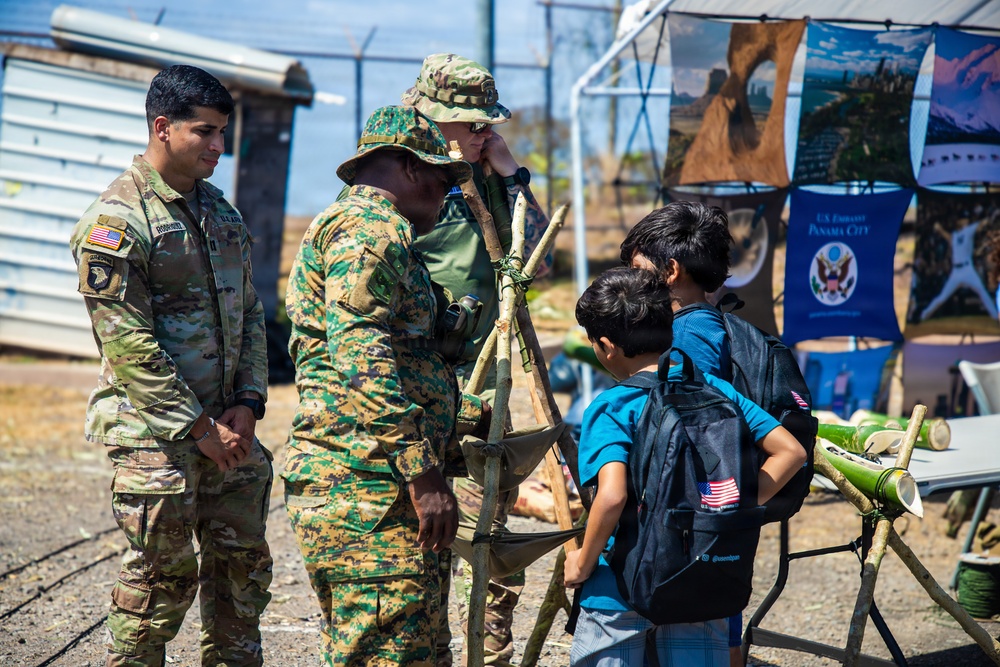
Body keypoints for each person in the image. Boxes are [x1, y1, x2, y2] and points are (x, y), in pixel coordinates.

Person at [68, 64, 273, 666]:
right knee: (160, 584)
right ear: (162, 127)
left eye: (223, 132)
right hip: (154, 438)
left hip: (230, 434)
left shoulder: (222, 214)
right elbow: (127, 345)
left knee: (243, 577)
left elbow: (252, 315)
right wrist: (198, 429)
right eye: (205, 132)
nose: (219, 146)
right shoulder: (117, 222)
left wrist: (249, 403)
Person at [283, 105, 490, 666]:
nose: (447, 196)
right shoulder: (369, 230)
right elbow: (359, 350)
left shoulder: (372, 229)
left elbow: (395, 356)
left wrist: (464, 416)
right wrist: (423, 474)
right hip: (369, 486)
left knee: (406, 649)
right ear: (404, 165)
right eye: (442, 180)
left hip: (375, 483)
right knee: (389, 652)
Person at [564, 267, 806, 666]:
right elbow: (791, 453)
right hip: (700, 582)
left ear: (607, 346)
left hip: (618, 591)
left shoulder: (610, 407)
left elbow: (611, 497)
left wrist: (582, 562)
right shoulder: (718, 390)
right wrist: (731, 507)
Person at [401, 52, 552, 666]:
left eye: (490, 123)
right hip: (424, 385)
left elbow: (538, 258)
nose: (486, 133)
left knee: (491, 532)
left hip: (487, 381)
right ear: (432, 119)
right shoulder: (402, 181)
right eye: (473, 124)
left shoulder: (492, 176)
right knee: (421, 533)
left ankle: (488, 654)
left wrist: (514, 174)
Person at [620, 200, 749, 665]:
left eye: (638, 269)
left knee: (705, 633)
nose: (633, 281)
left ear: (671, 270)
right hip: (709, 515)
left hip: (691, 519)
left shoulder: (687, 337)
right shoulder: (712, 324)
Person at [919, 213, 998, 322]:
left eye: (965, 219)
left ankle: (995, 316)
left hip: (968, 268)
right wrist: (940, 229)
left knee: (982, 292)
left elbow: (981, 225)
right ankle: (923, 316)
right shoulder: (955, 235)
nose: (965, 221)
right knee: (942, 297)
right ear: (959, 222)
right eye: (963, 219)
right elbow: (949, 238)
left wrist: (990, 218)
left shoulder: (969, 230)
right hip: (956, 271)